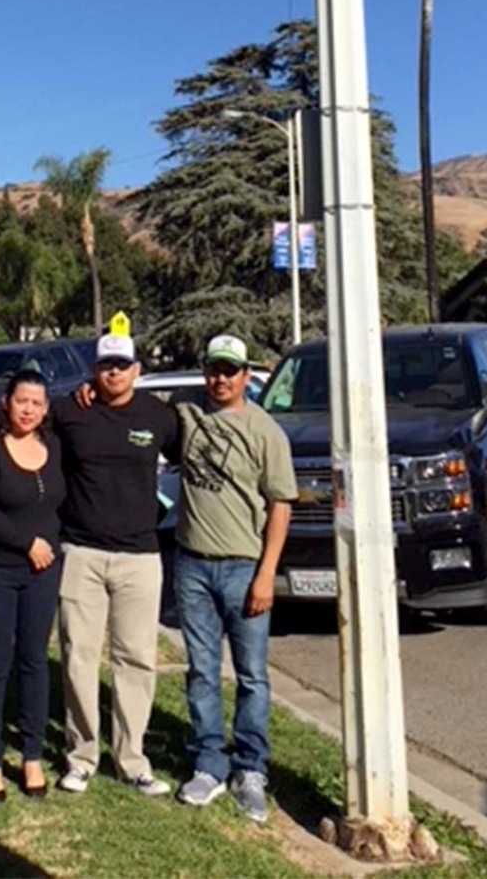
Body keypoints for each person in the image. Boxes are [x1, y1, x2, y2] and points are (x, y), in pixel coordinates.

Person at [173, 334, 295, 824]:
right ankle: (208, 762)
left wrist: (267, 574)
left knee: (252, 676)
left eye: (230, 370)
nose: (220, 379)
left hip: (245, 567)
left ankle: (250, 769)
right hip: (192, 564)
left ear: (247, 376)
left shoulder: (266, 432)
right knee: (202, 670)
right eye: (213, 369)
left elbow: (280, 506)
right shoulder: (187, 413)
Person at [50, 333, 178, 797]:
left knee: (136, 659)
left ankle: (132, 760)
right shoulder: (69, 411)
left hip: (140, 557)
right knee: (79, 658)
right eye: (106, 366)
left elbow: (193, 460)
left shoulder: (159, 417)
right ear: (93, 370)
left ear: (137, 370)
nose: (114, 373)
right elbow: (24, 432)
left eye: (122, 365)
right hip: (80, 553)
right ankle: (82, 756)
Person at [0, 365, 65, 801]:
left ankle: (31, 755)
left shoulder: (54, 446)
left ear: (46, 409)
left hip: (43, 573)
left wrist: (45, 551)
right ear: (7, 403)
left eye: (37, 403)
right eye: (21, 400)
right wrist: (28, 544)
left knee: (34, 661)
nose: (28, 409)